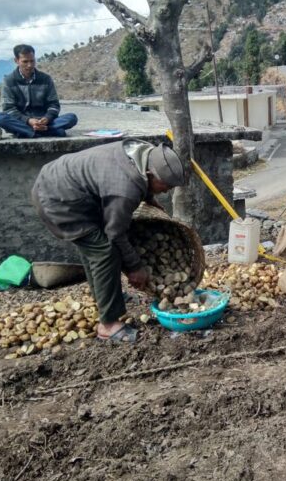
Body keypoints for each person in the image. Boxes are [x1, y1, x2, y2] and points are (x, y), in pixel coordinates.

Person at [31, 139, 186, 342]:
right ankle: (108, 325)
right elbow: (115, 233)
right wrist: (135, 266)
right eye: (165, 186)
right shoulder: (124, 189)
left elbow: (141, 182)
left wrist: (150, 198)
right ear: (150, 174)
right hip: (57, 200)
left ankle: (105, 298)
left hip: (65, 183)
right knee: (104, 251)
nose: (167, 191)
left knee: (95, 249)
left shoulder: (142, 152)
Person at [0, 44, 78, 138]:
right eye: (25, 61)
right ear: (16, 61)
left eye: (32, 61)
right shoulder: (9, 81)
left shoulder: (45, 79)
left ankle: (28, 133)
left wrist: (47, 118)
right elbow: (9, 109)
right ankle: (46, 131)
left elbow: (54, 105)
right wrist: (29, 120)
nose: (29, 65)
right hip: (22, 121)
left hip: (44, 121)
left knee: (72, 118)